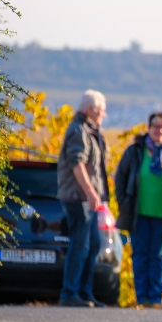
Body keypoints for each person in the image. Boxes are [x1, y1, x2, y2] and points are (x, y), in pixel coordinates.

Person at [114, 112, 162, 308]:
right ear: (148, 128)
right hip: (138, 214)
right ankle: (141, 297)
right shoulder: (135, 151)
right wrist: (123, 203)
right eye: (156, 126)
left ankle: (155, 298)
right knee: (140, 256)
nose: (159, 131)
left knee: (157, 258)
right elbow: (120, 179)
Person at [56, 89, 110, 307]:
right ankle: (70, 293)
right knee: (81, 245)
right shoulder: (78, 130)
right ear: (92, 110)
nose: (104, 116)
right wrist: (90, 191)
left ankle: (85, 293)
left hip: (87, 199)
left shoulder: (89, 129)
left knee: (92, 245)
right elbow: (76, 163)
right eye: (102, 111)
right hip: (78, 198)